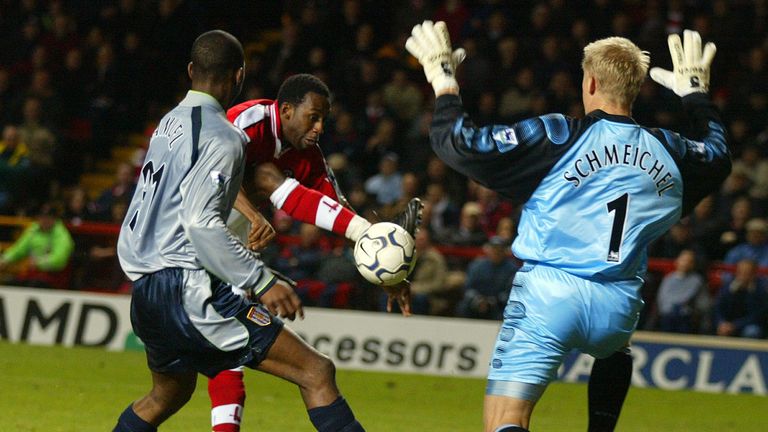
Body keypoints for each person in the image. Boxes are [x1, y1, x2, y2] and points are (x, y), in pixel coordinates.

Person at [407, 22, 729, 431]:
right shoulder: (671, 151)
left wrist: (444, 81)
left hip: (550, 298)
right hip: (618, 307)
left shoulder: (559, 136)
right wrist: (696, 95)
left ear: (591, 81)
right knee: (615, 351)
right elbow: (718, 155)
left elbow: (459, 143)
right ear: (635, 88)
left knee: (506, 419)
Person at [113, 30, 365, 432]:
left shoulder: (166, 126)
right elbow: (200, 223)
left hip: (145, 290)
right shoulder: (225, 137)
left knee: (168, 395)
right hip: (186, 287)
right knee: (317, 372)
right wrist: (261, 280)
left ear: (192, 70)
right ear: (239, 76)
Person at [210, 73, 420, 432]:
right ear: (287, 110)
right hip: (191, 244)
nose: (321, 127)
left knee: (173, 389)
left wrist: (385, 269)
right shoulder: (247, 121)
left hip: (221, 261)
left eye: (325, 119)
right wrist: (252, 214)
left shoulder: (309, 156)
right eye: (314, 117)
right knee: (313, 371)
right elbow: (211, 174)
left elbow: (335, 210)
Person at [0, 202, 74, 289]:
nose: (44, 220)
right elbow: (19, 248)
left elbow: (59, 260)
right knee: (9, 283)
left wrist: (39, 263)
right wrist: (4, 259)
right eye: (41, 216)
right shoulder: (33, 229)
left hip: (54, 277)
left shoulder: (62, 235)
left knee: (35, 285)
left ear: (54, 218)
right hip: (34, 274)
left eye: (48, 217)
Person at [714, 259, 768, 339]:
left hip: (748, 325)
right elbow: (717, 308)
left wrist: (735, 325)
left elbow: (758, 316)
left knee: (752, 331)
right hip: (727, 325)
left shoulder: (761, 290)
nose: (742, 275)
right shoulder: (727, 287)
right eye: (740, 272)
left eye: (747, 272)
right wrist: (722, 323)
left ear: (754, 274)